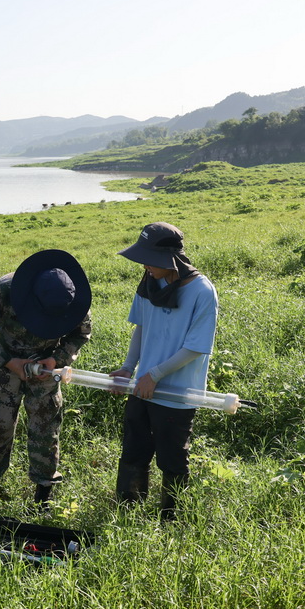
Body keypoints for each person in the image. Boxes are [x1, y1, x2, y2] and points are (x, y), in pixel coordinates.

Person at [108, 222, 218, 522]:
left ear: (171, 260)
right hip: (142, 389)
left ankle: (171, 520)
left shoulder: (201, 291)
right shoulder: (148, 284)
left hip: (176, 392)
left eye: (150, 259)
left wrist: (154, 374)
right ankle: (128, 513)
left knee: (172, 460)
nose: (145, 265)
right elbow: (141, 329)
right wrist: (129, 369)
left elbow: (196, 347)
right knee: (133, 451)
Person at [0, 249, 92, 507]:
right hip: (5, 367)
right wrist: (7, 362)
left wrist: (56, 359)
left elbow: (81, 334)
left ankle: (44, 490)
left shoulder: (75, 298)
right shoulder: (5, 290)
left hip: (45, 370)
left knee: (46, 429)